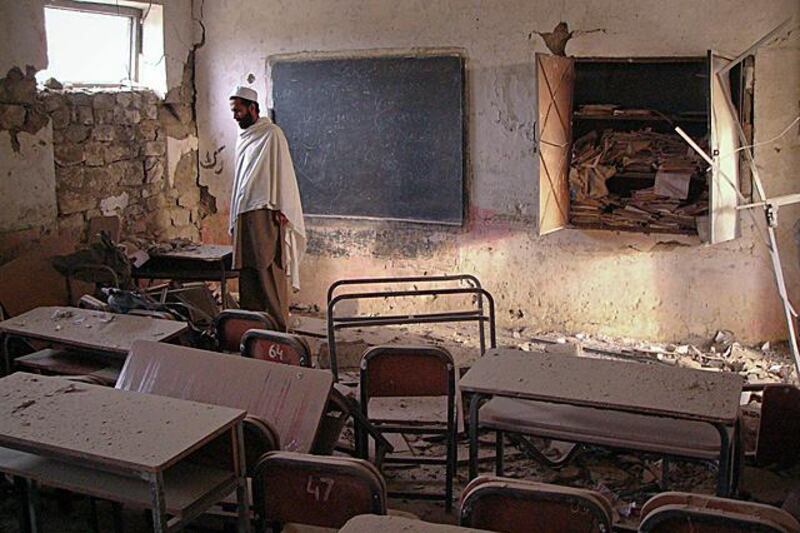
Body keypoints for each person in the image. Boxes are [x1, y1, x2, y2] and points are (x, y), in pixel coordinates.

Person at [228, 85, 305, 331]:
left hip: (266, 212)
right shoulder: (244, 137)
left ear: (252, 108)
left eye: (239, 111)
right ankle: (252, 326)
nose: (235, 116)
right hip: (244, 211)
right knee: (247, 271)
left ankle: (277, 328)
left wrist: (284, 207)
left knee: (268, 270)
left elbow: (283, 174)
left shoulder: (272, 134)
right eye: (233, 111)